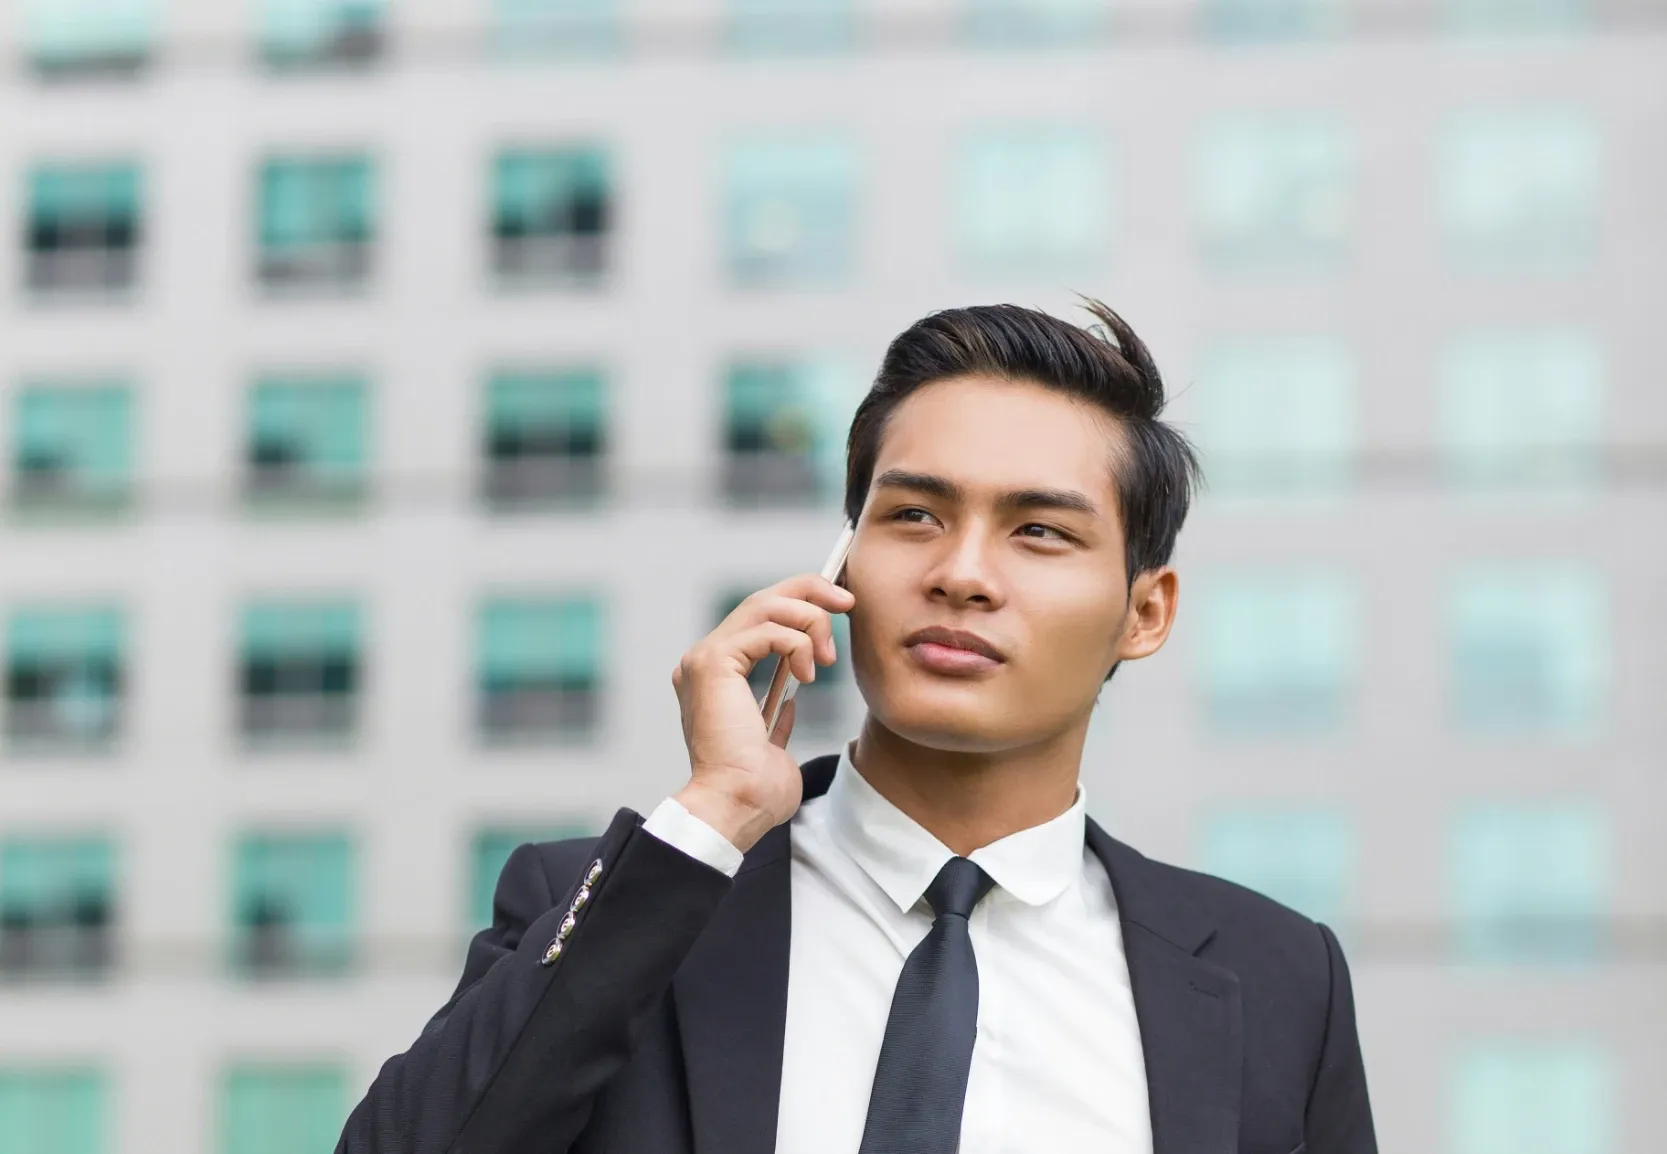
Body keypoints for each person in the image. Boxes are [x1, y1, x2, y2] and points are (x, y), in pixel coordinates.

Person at [336, 301, 1377, 1154]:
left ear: (1142, 612)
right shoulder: (616, 905)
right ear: (836, 567)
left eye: (1039, 532)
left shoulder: (1278, 977)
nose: (960, 573)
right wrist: (712, 815)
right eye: (913, 515)